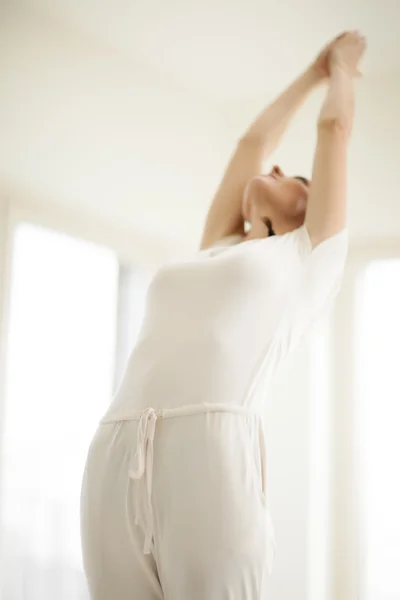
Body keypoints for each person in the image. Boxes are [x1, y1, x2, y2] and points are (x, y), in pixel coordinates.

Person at [80, 31, 366, 599]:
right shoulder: (218, 245)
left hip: (208, 448)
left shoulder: (308, 256)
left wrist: (343, 71)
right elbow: (253, 142)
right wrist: (309, 73)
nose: (277, 168)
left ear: (313, 207)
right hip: (116, 448)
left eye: (295, 179)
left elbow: (333, 129)